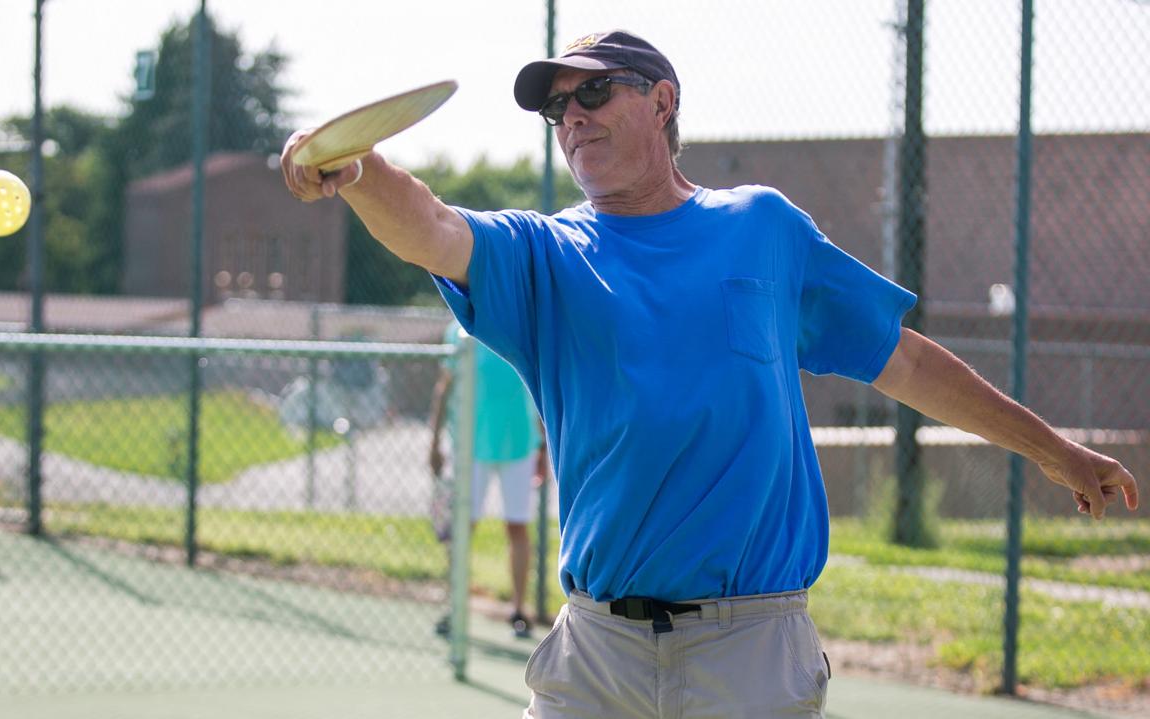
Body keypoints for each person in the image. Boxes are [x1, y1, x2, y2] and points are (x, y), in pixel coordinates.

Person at [282, 29, 1139, 719]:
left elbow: (904, 358)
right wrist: (356, 170)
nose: (571, 117)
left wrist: (1054, 450)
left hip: (751, 652)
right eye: (555, 109)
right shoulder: (543, 253)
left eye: (593, 92)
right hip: (595, 658)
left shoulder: (763, 226)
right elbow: (431, 227)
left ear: (662, 101)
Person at [429, 318, 548, 639]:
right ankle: (454, 607)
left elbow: (537, 390)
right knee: (461, 529)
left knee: (517, 527)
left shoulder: (519, 321)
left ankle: (518, 611)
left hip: (519, 445)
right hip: (470, 448)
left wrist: (543, 445)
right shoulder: (457, 330)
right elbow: (444, 387)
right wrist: (434, 442)